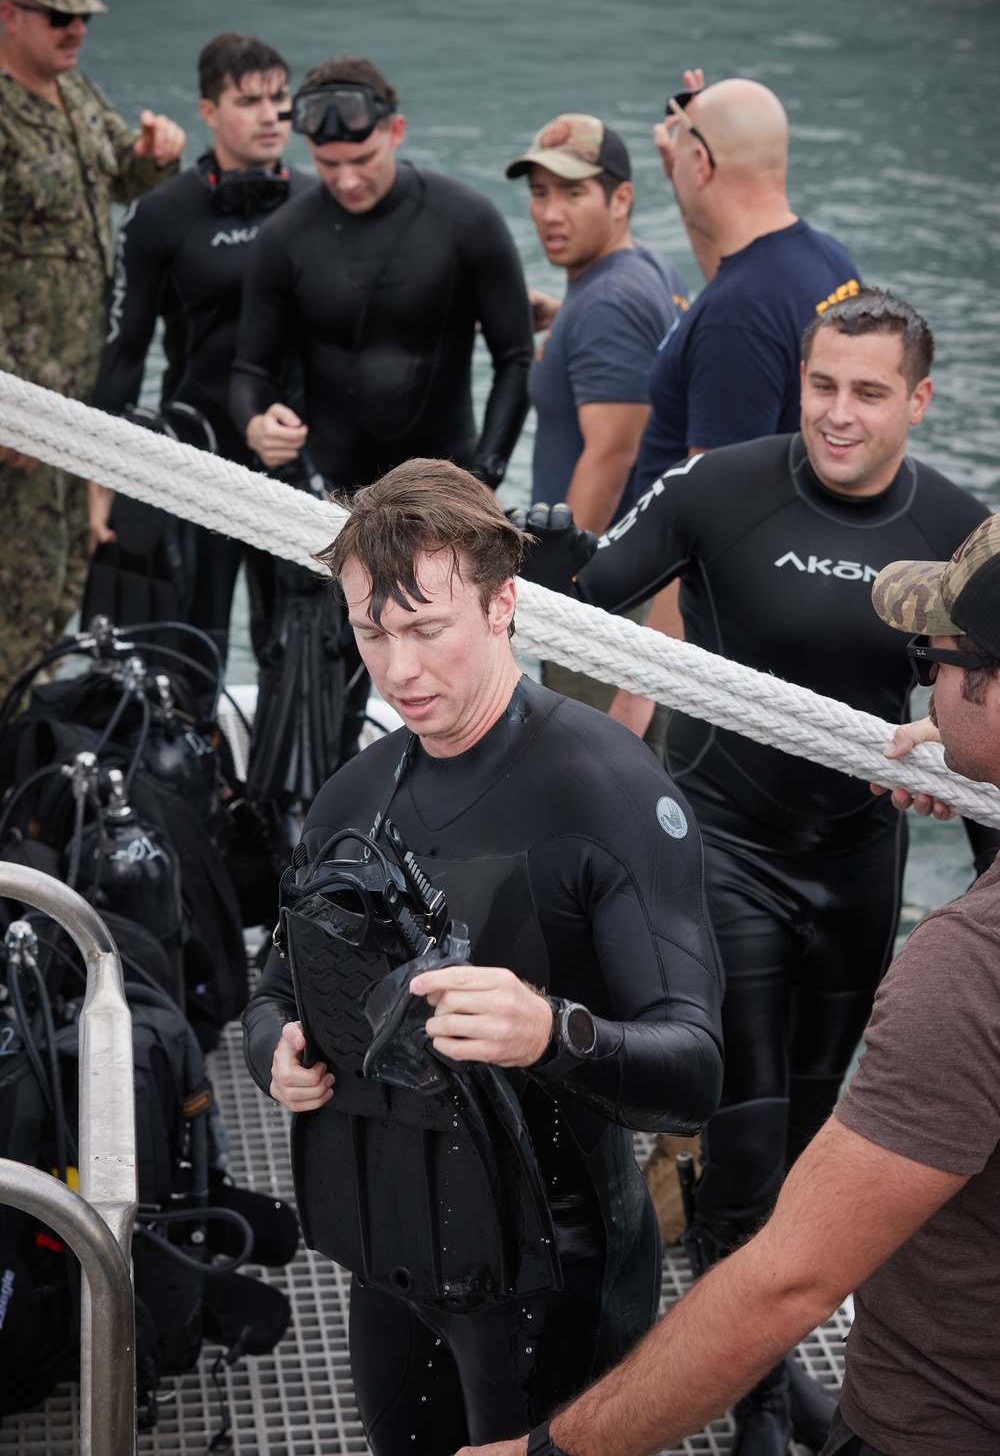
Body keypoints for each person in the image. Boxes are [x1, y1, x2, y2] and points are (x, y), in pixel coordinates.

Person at [513, 289, 995, 1454]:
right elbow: (586, 607)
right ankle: (762, 1409)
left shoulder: (960, 524)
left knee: (832, 1136)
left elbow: (981, 756)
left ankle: (766, 1375)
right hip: (724, 849)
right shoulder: (722, 484)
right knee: (743, 1148)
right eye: (820, 385)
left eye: (869, 392)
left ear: (918, 401)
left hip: (856, 859)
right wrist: (548, 557)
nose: (838, 413)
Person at [242, 458, 725, 1456]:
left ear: (504, 606)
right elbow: (275, 986)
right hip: (388, 1263)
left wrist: (551, 1030)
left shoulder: (609, 792)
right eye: (373, 632)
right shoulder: (351, 797)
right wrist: (271, 1051)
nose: (399, 670)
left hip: (556, 1275)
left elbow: (694, 1074)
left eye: (427, 628)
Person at [610, 67, 861, 740]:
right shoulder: (820, 261)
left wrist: (639, 691)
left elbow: (704, 518)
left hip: (704, 640)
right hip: (789, 599)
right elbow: (733, 278)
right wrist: (684, 169)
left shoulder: (737, 315)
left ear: (703, 161)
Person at [88, 31, 312, 662]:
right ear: (208, 111)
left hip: (295, 460)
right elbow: (124, 350)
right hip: (197, 458)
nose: (272, 115)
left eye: (280, 98)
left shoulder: (316, 201)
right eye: (249, 101)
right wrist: (100, 472)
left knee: (300, 655)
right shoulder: (160, 215)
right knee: (190, 645)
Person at [0, 0, 185, 697]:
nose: (77, 27)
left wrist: (152, 158)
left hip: (60, 413)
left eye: (83, 15)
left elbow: (116, 174)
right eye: (58, 15)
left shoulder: (73, 91)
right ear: (9, 12)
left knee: (50, 595)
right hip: (13, 413)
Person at [231, 54, 532, 491]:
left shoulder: (468, 221)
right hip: (326, 490)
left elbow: (516, 359)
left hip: (447, 488)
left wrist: (485, 475)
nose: (348, 180)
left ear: (396, 131)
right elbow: (251, 370)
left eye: (363, 159)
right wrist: (257, 424)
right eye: (327, 165)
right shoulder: (283, 238)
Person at [505, 114, 686, 758]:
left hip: (605, 603)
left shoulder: (607, 304)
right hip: (643, 584)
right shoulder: (641, 271)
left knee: (592, 778)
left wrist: (557, 590)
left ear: (621, 199)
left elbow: (614, 453)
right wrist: (566, 324)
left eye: (573, 193)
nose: (551, 212)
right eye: (539, 192)